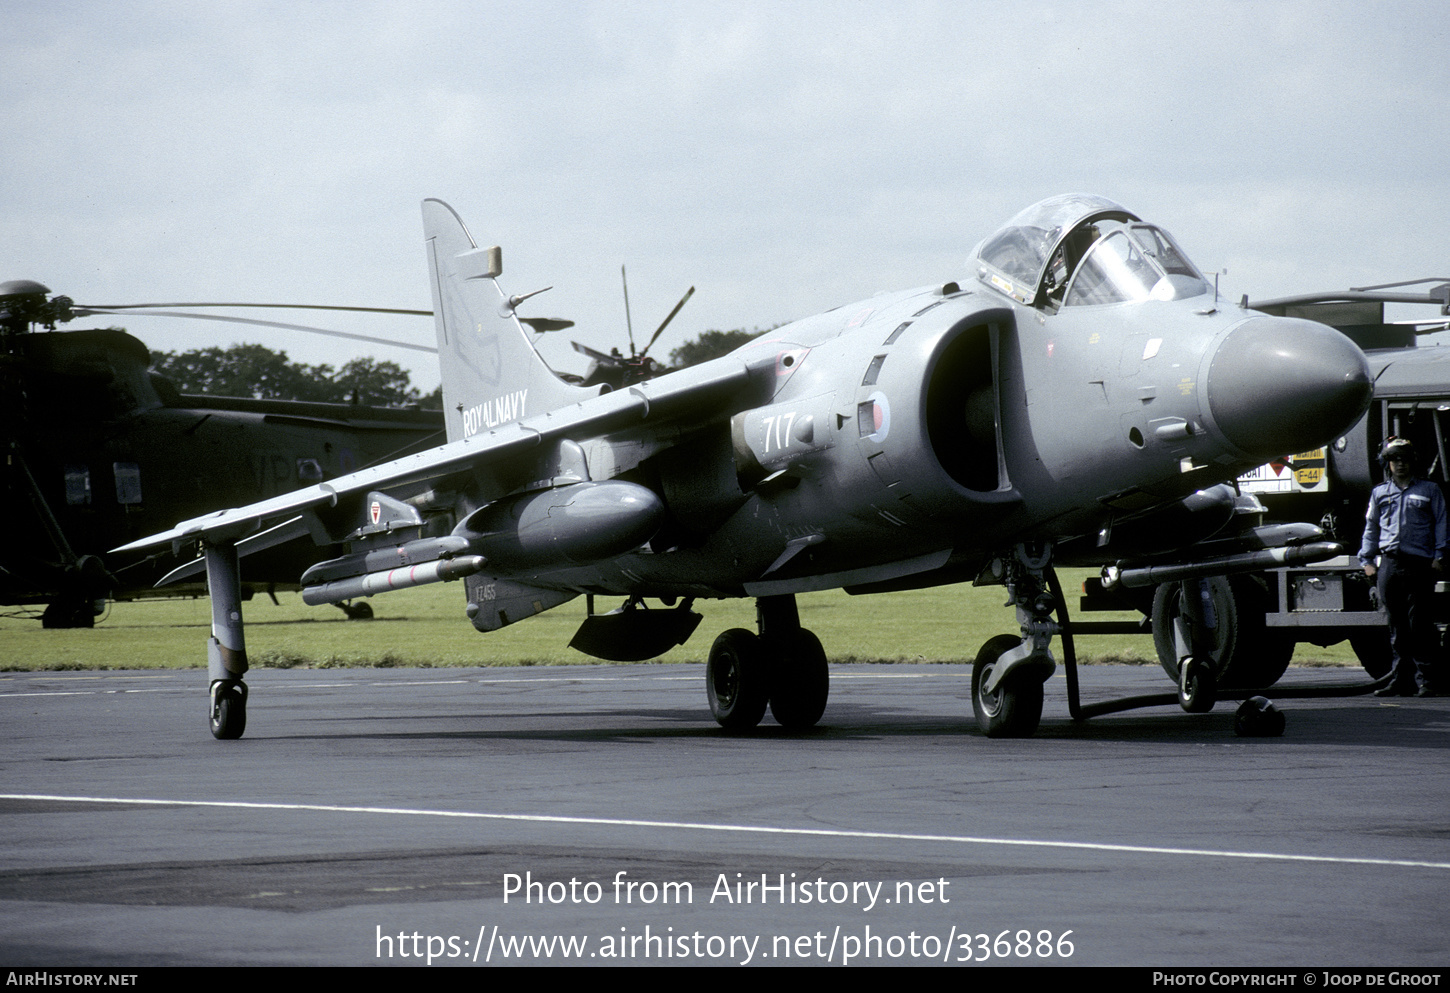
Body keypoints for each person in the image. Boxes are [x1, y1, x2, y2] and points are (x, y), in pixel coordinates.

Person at [1359, 438, 1447, 696]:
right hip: (1389, 563)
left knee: (1420, 624)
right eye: (1395, 460)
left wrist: (1440, 553)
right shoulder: (1379, 493)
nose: (1400, 464)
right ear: (1388, 464)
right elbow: (1371, 527)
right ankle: (1401, 680)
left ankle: (1429, 681)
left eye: (1404, 460)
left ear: (1412, 462)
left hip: (1419, 563)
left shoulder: (1430, 490)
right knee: (1396, 626)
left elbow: (1442, 522)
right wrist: (1366, 560)